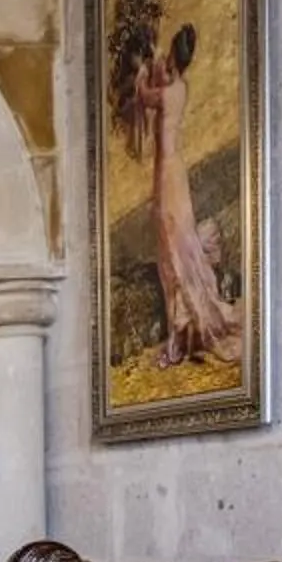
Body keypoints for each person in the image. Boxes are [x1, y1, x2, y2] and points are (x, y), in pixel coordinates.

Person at [116, 25, 244, 367]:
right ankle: (181, 329)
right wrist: (156, 62)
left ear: (174, 52)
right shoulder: (180, 86)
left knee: (173, 251)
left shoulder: (170, 92)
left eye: (169, 52)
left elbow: (146, 95)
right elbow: (160, 82)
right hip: (172, 172)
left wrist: (140, 72)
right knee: (173, 246)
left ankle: (180, 332)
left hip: (169, 174)